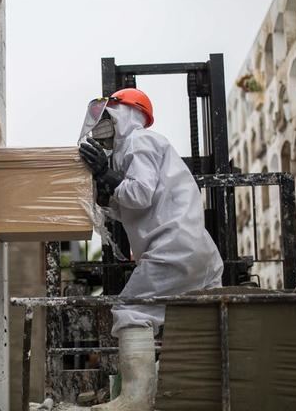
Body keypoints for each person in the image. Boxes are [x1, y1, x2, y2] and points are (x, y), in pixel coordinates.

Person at [78, 88, 223, 411]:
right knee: (198, 319)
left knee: (131, 311)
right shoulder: (135, 149)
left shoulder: (140, 141)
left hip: (171, 246)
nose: (103, 126)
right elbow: (134, 205)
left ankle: (136, 400)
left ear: (127, 114)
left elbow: (139, 194)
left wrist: (106, 176)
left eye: (108, 117)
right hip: (197, 249)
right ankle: (190, 392)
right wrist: (107, 194)